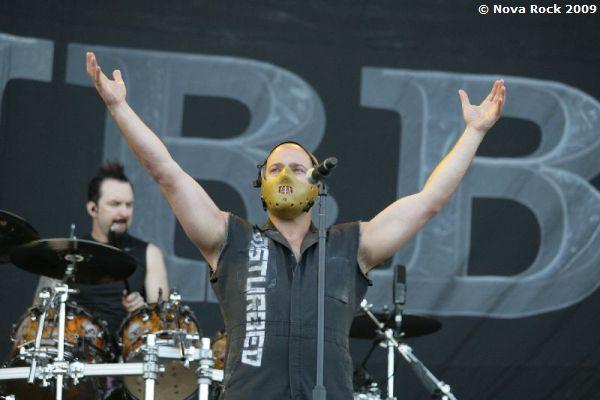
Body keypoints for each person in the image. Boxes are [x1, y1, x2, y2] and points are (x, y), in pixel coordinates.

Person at [85, 51, 505, 399]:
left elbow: (429, 202)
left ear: (317, 183)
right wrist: (119, 107)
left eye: (298, 169)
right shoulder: (230, 238)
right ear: (261, 183)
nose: (285, 175)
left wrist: (473, 132)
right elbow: (166, 173)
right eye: (275, 169)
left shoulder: (351, 245)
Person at [33, 162, 169, 342]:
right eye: (115, 204)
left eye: (129, 205)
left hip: (126, 353)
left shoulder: (150, 253)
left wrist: (141, 312)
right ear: (92, 209)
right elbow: (38, 317)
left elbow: (163, 327)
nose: (124, 212)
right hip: (77, 349)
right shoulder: (66, 253)